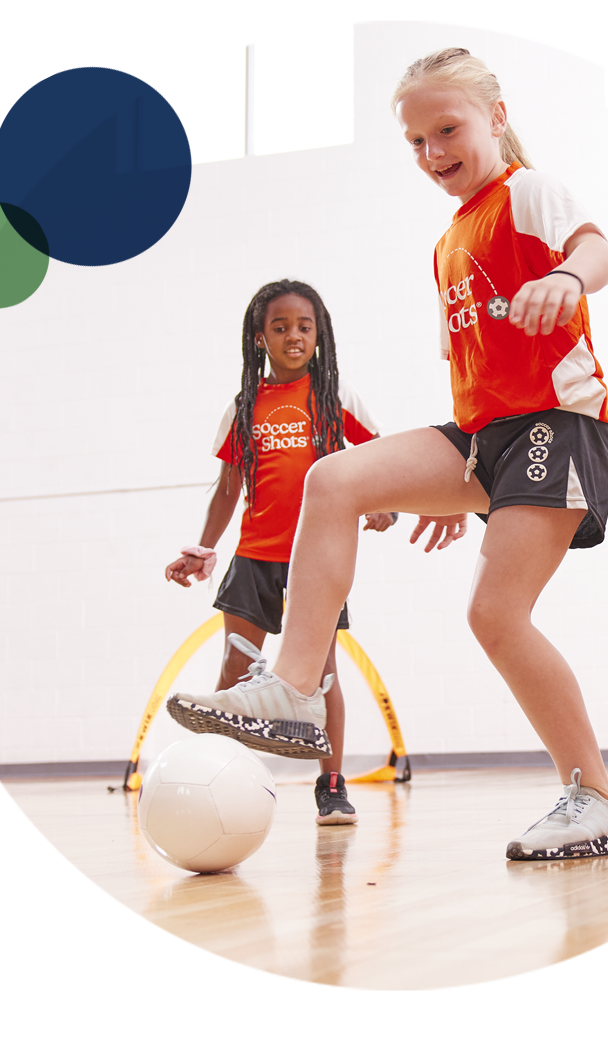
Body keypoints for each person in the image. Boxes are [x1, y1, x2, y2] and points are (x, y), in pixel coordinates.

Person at [169, 48, 608, 862]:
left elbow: (602, 251)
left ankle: (598, 799)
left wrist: (568, 278)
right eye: (416, 141)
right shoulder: (451, 238)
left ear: (495, 117)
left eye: (447, 130)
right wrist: (460, 489)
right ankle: (294, 690)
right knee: (336, 477)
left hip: (555, 426)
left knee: (494, 617)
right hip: (484, 442)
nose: (433, 153)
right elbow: (474, 372)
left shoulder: (526, 190)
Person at [165, 279, 395, 826]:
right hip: (253, 557)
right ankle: (217, 782)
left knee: (321, 674)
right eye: (280, 327)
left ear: (320, 335)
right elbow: (227, 487)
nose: (294, 337)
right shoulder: (244, 407)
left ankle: (332, 786)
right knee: (234, 672)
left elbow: (382, 458)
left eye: (304, 327)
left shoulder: (335, 397)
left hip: (315, 561)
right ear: (259, 337)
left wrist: (386, 502)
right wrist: (204, 548)